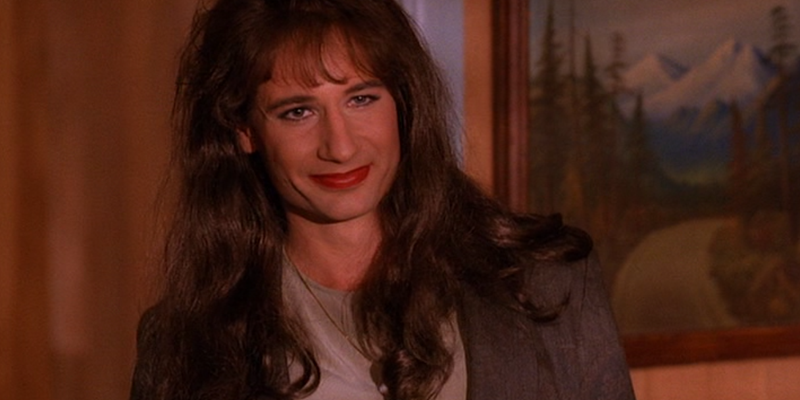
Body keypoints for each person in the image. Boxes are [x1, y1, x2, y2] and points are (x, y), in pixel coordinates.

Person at [130, 0, 636, 399]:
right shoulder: (186, 345)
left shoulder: (549, 284)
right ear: (244, 130)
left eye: (361, 99)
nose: (340, 146)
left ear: (402, 102)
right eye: (298, 112)